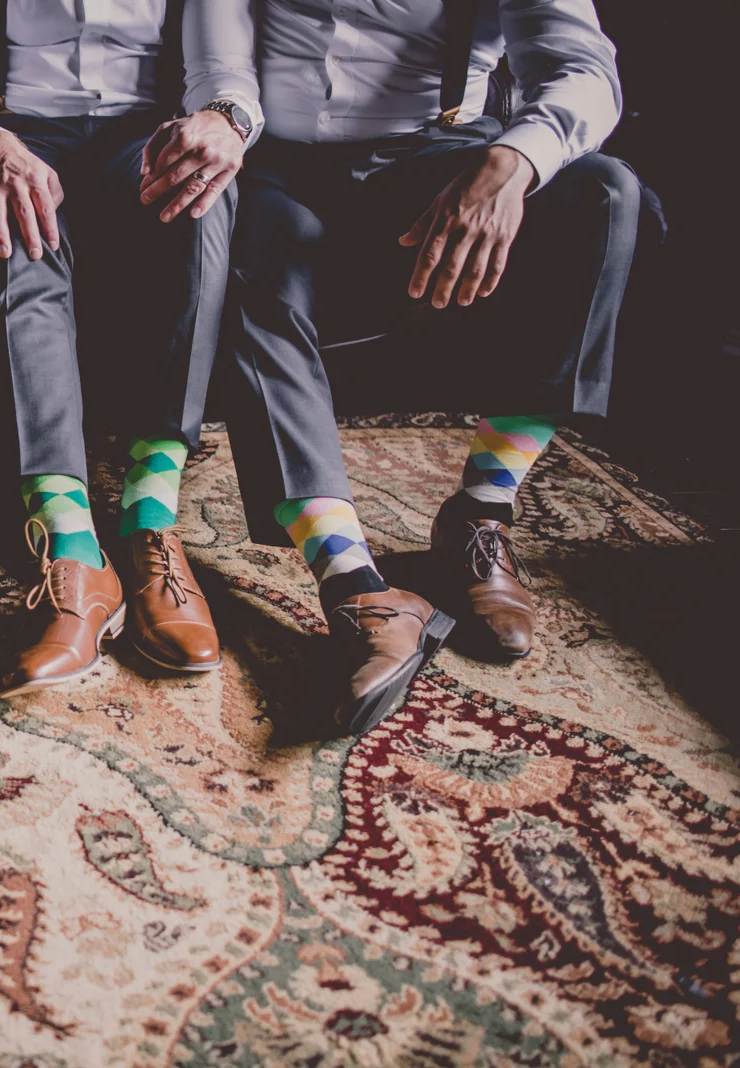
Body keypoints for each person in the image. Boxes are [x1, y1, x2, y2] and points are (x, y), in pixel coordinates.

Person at [220, 0, 638, 733]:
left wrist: (515, 160)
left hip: (438, 158)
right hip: (275, 164)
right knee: (248, 259)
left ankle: (480, 511)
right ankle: (356, 584)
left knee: (605, 194)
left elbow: (585, 70)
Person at [0, 0, 253, 695]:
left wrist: (220, 119)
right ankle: (73, 547)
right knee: (15, 217)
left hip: (147, 137)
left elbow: (222, 68)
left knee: (205, 197)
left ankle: (152, 516)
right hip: (23, 129)